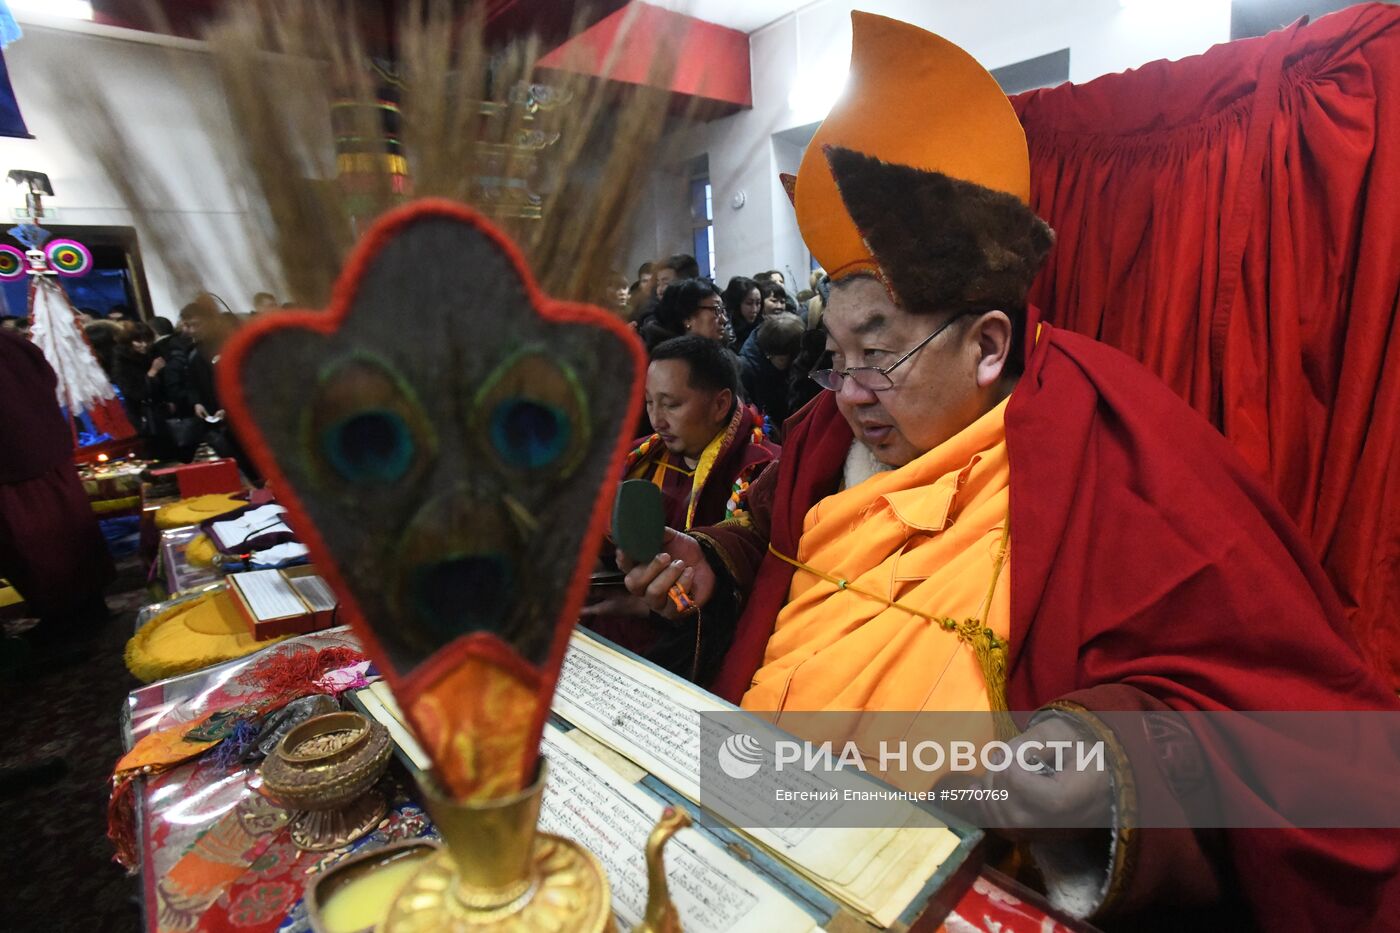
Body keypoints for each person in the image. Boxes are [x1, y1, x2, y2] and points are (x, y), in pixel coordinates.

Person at [617, 13, 1400, 930]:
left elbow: (1285, 718)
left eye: (881, 355)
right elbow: (779, 538)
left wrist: (1099, 756)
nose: (851, 394)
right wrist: (718, 558)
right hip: (750, 839)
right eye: (835, 357)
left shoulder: (1104, 442)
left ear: (991, 345)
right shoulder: (830, 431)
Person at [582, 335, 777, 682]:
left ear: (719, 405)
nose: (657, 420)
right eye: (649, 403)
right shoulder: (640, 457)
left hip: (697, 645)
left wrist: (647, 607)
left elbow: (759, 586)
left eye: (670, 405)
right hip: (618, 620)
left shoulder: (763, 471)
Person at [0, 328, 112, 651]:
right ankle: (90, 607)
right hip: (48, 452)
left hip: (13, 467)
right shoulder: (13, 341)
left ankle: (65, 625)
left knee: (38, 550)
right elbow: (48, 379)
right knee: (72, 538)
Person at [740, 312, 804, 430]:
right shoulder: (748, 369)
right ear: (769, 354)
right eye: (785, 359)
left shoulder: (788, 350)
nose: (794, 362)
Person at [637, 278, 726, 351]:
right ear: (687, 318)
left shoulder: (720, 356)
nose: (724, 319)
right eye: (716, 310)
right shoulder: (671, 364)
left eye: (723, 310)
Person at [721, 276, 764, 350]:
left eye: (758, 303)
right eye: (749, 303)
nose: (754, 309)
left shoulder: (763, 327)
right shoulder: (723, 329)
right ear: (736, 304)